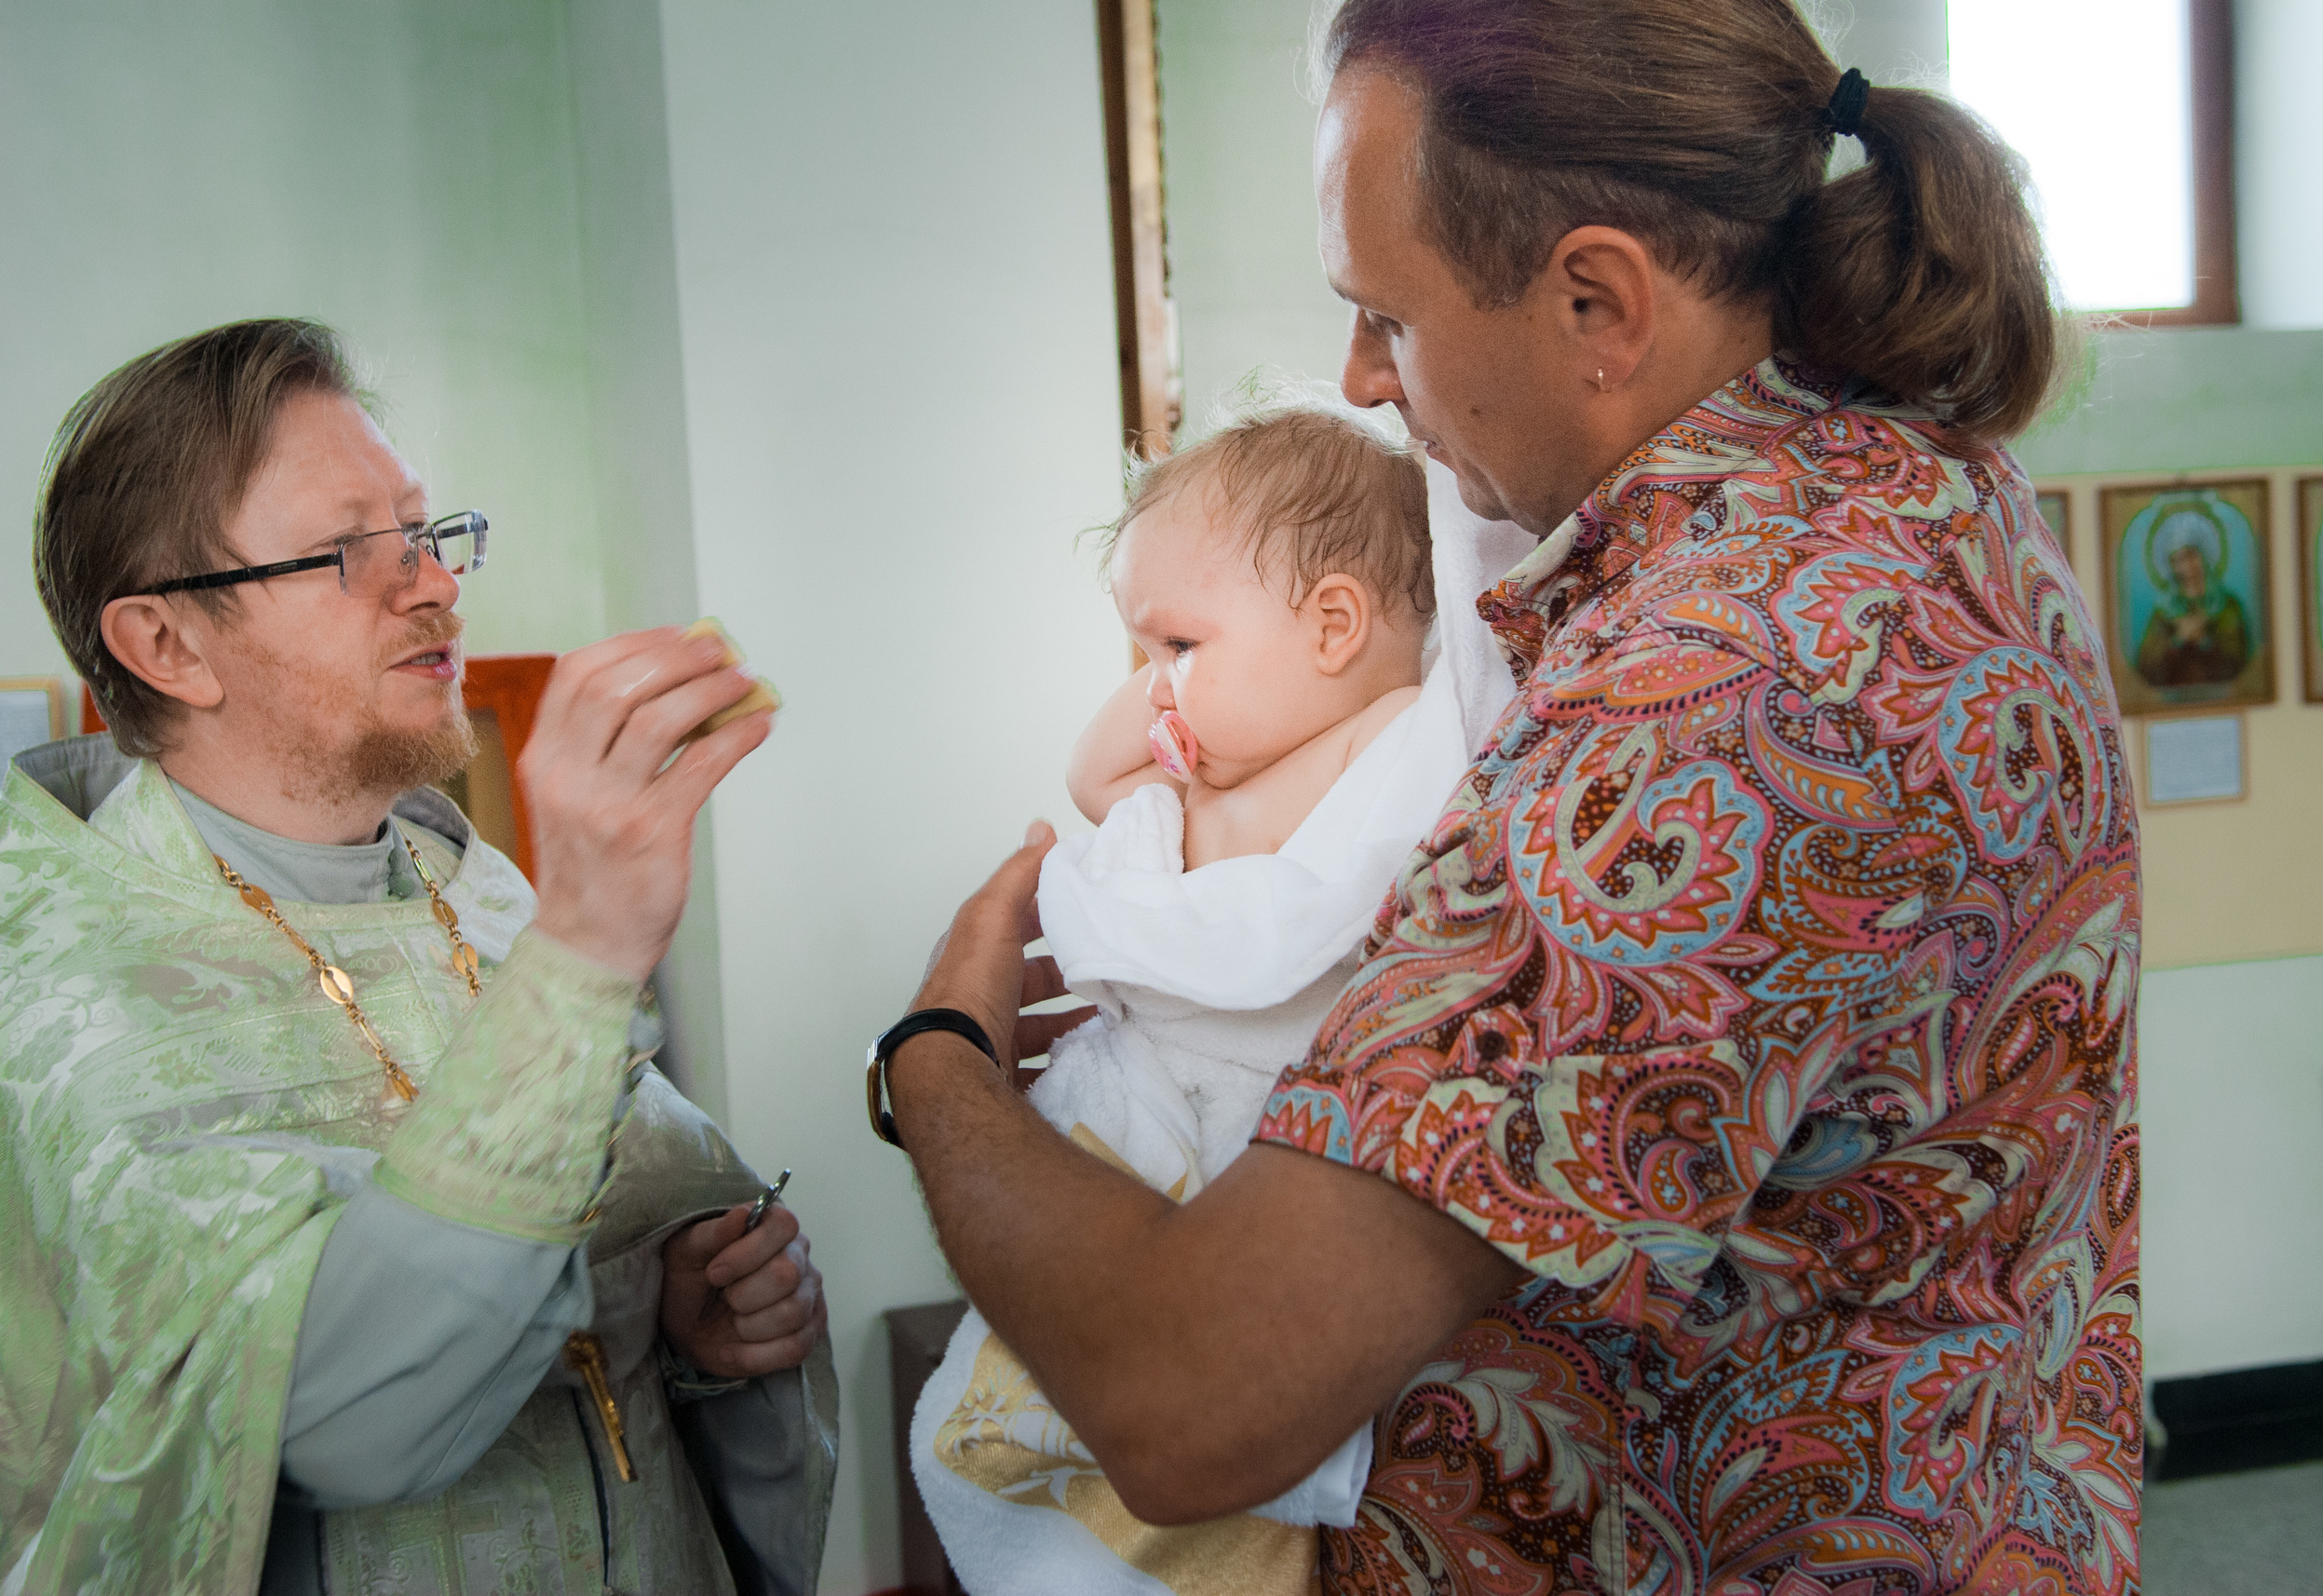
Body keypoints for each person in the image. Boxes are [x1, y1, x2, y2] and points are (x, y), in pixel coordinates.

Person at [871, 4, 2142, 1594]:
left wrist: (940, 1061)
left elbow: (1194, 1397)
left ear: (1597, 300)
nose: (1357, 375)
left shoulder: (1723, 699)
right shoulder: (1913, 484)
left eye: (1385, 319)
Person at [0, 319, 837, 1596]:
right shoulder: (71, 1007)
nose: (432, 583)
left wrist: (684, 1321)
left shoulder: (461, 881)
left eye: (424, 531)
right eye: (350, 548)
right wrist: (588, 945)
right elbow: (345, 1423)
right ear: (167, 645)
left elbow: (580, 1262)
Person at [911, 402, 1468, 1594]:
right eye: (1143, 653)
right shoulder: (1191, 786)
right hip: (1136, 1085)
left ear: (1332, 624)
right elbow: (1088, 773)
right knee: (1022, 1373)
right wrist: (1176, 670)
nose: (1154, 688)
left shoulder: (1390, 737)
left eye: (1178, 646)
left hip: (1245, 1112)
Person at [2135, 508, 2250, 686]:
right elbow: (2148, 667)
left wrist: (2204, 641)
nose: (2185, 567)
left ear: (2205, 557)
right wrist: (2178, 639)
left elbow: (2236, 662)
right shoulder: (2163, 611)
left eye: (2190, 556)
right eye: (2176, 561)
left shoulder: (2227, 606)